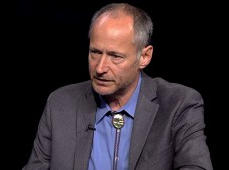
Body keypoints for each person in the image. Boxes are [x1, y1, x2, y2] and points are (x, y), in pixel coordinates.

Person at [22, 3, 213, 170]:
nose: (100, 68)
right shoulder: (60, 104)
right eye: (95, 52)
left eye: (115, 57)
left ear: (144, 57)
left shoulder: (179, 104)